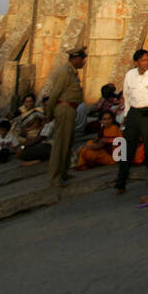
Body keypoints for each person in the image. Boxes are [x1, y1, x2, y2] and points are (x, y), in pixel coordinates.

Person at [114, 48, 148, 195]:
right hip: (134, 112)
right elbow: (126, 95)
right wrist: (126, 113)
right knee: (127, 147)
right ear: (136, 62)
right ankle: (121, 181)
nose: (146, 63)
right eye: (143, 60)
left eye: (147, 59)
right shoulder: (130, 75)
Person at [42, 47, 88, 188]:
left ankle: (63, 172)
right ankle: (55, 178)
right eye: (82, 59)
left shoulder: (72, 72)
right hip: (64, 109)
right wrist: (48, 114)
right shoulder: (64, 72)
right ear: (75, 59)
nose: (84, 62)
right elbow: (54, 94)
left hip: (70, 109)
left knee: (68, 142)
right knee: (61, 144)